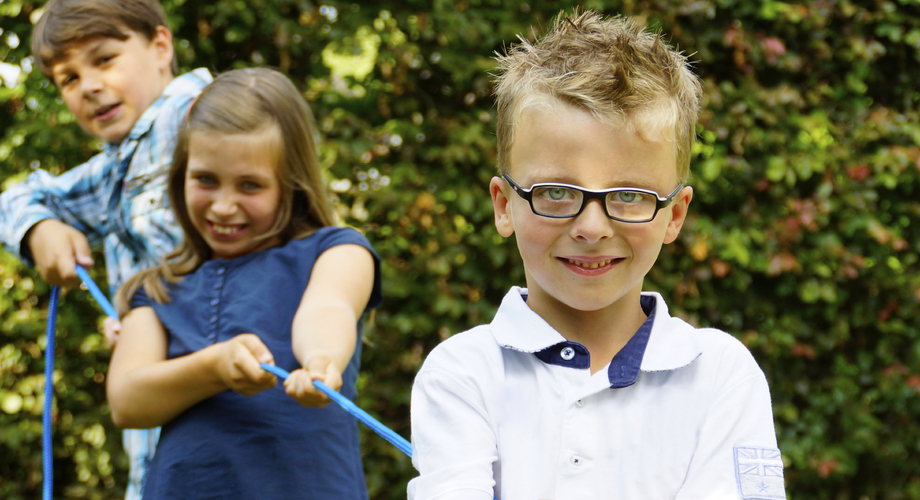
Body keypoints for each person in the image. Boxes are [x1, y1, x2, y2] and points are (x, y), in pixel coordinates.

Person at [408, 11, 785, 500]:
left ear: (674, 215)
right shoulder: (461, 375)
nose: (591, 228)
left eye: (630, 195)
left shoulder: (720, 376)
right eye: (556, 192)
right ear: (504, 206)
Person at [106, 67, 382, 499]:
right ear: (182, 176)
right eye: (206, 180)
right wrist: (215, 367)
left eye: (250, 185)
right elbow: (126, 399)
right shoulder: (158, 289)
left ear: (290, 185)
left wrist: (321, 359)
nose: (223, 205)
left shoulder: (337, 251)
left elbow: (328, 308)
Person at [0, 0, 212, 497]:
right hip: (160, 444)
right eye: (68, 79)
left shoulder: (199, 114)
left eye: (104, 59)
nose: (89, 86)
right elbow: (16, 199)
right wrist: (39, 230)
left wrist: (163, 321)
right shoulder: (117, 165)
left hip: (228, 423)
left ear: (161, 46)